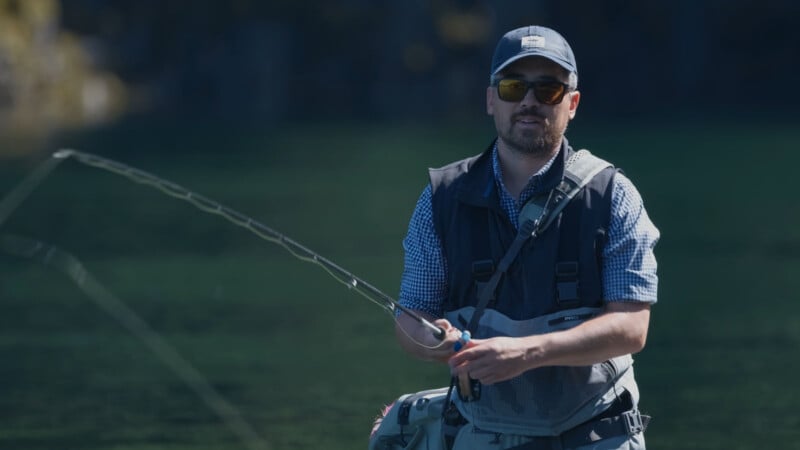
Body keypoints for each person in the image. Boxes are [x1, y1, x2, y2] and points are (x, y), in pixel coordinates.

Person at [394, 25, 659, 449]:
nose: (529, 102)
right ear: (491, 100)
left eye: (548, 89)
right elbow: (411, 317)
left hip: (594, 430)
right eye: (513, 87)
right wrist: (435, 342)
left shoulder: (614, 195)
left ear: (572, 104)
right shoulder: (440, 199)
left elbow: (631, 327)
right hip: (484, 430)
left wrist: (527, 353)